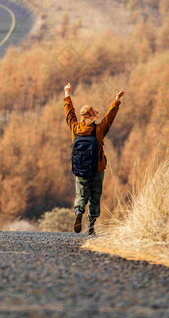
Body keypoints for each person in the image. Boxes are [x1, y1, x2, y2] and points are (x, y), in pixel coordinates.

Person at [64, 82, 124, 235]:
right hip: (97, 169)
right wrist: (116, 100)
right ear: (93, 118)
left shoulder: (75, 128)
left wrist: (67, 94)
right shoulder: (98, 130)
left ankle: (78, 212)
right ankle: (91, 226)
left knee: (81, 194)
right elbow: (109, 118)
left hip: (80, 169)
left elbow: (69, 113)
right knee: (95, 196)